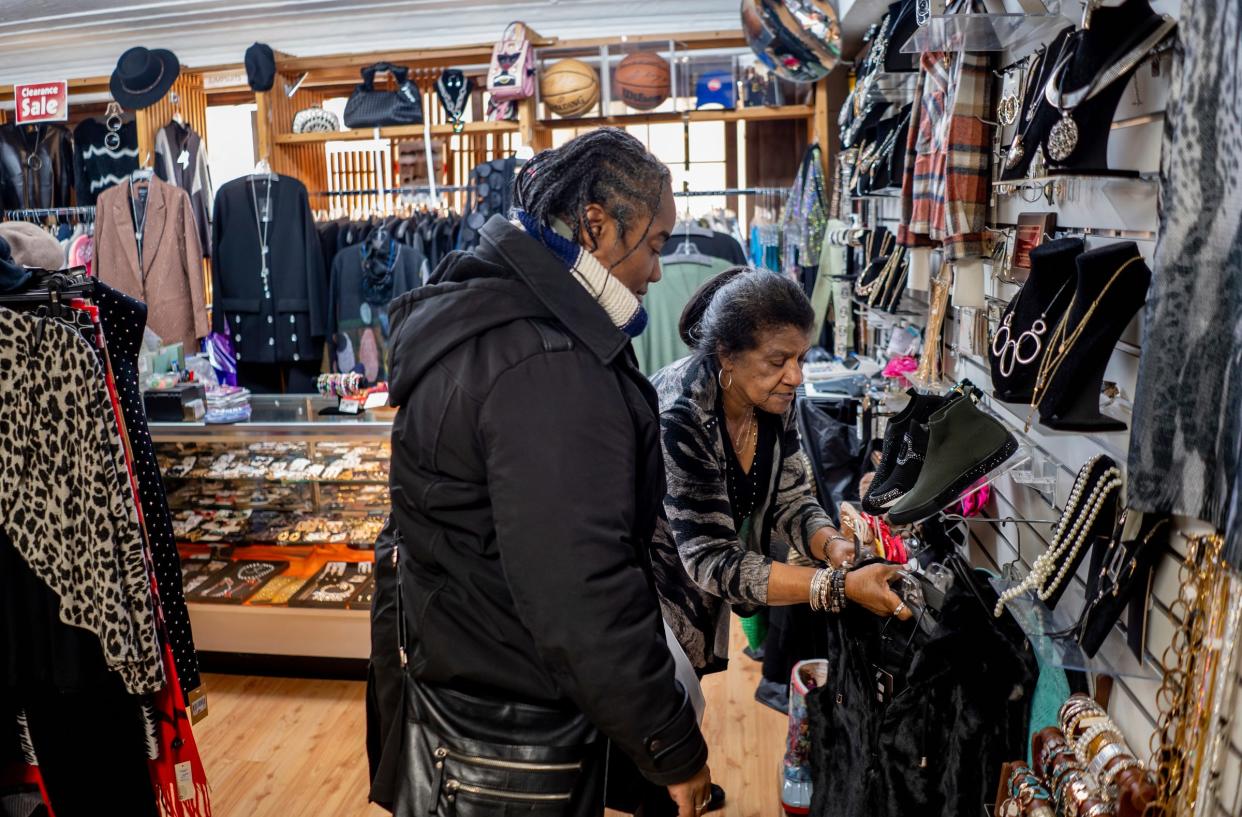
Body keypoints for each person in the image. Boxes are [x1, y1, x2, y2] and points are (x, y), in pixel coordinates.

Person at [370, 127, 712, 817]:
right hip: (509, 726)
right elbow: (581, 589)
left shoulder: (491, 315)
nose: (658, 268)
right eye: (652, 243)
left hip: (463, 680)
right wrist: (674, 745)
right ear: (595, 226)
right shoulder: (548, 365)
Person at [651, 267, 913, 679]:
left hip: (696, 598)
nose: (796, 376)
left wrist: (831, 546)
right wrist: (835, 587)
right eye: (778, 360)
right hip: (649, 606)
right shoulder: (681, 417)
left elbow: (791, 496)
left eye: (801, 358)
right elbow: (710, 558)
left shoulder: (770, 396)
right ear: (726, 354)